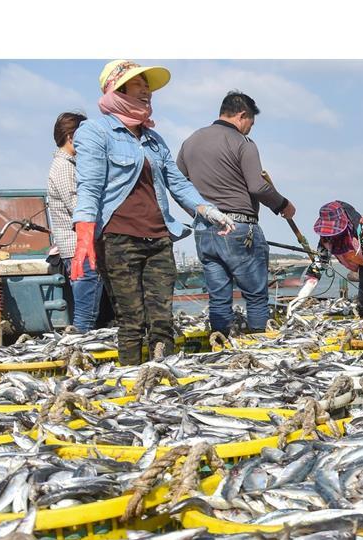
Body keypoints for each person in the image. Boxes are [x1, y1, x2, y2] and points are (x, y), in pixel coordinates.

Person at [71, 60, 234, 365]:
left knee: (162, 321)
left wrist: (210, 211)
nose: (147, 91)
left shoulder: (153, 140)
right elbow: (89, 187)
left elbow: (177, 182)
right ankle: (132, 382)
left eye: (148, 86)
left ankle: (163, 383)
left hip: (159, 239)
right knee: (131, 321)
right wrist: (84, 236)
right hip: (118, 240)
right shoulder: (95, 131)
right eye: (139, 85)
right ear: (117, 90)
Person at [176, 91, 296, 336]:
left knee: (219, 297)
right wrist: (283, 205)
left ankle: (220, 342)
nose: (250, 129)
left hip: (204, 231)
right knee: (255, 295)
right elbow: (257, 186)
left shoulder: (190, 141)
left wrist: (198, 213)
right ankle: (258, 344)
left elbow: (179, 185)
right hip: (240, 228)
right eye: (251, 123)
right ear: (243, 115)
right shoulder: (243, 143)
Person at [46, 111, 106, 333]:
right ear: (72, 137)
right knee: (86, 316)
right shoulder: (64, 168)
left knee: (89, 313)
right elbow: (79, 209)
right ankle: (79, 354)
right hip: (79, 250)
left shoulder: (68, 165)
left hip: (79, 249)